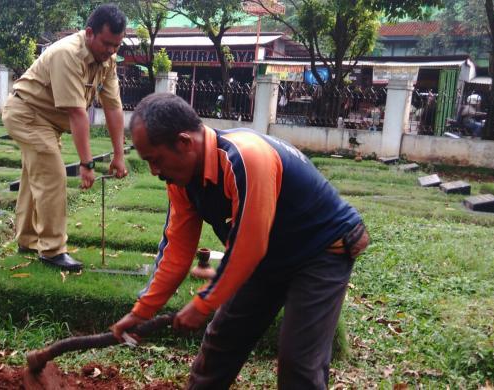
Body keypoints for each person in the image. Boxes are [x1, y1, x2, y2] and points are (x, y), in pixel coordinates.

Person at [111, 93, 370, 389]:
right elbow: (176, 252)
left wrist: (205, 302)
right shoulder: (180, 182)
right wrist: (141, 312)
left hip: (321, 250)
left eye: (155, 160)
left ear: (184, 143)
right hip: (269, 256)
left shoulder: (246, 157)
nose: (155, 171)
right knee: (222, 341)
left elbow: (249, 246)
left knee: (298, 361)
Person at [2, 4, 129, 272]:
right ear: (90, 33)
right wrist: (87, 164)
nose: (111, 51)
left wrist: (119, 155)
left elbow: (113, 107)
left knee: (34, 176)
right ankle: (52, 249)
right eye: (107, 43)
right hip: (27, 113)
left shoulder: (107, 61)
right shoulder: (67, 54)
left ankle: (27, 239)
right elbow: (77, 113)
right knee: (52, 175)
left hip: (47, 121)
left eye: (116, 45)